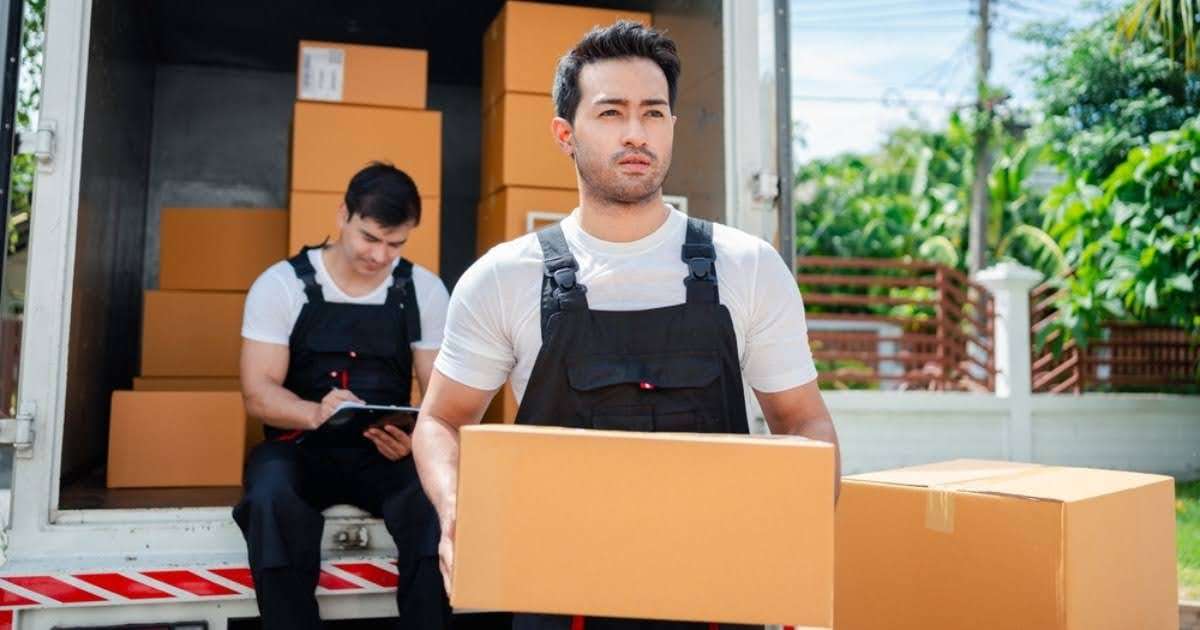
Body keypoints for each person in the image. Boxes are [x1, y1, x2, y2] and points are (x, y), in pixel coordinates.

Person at [413, 21, 841, 630]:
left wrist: (801, 530)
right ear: (565, 133)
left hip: (716, 596)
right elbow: (441, 420)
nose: (636, 132)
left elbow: (802, 421)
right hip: (560, 595)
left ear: (671, 127)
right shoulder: (503, 278)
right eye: (611, 112)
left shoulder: (748, 267)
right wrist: (456, 508)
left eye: (654, 113)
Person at [234, 162, 450, 630]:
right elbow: (258, 393)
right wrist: (315, 412)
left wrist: (418, 440)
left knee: (436, 501)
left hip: (385, 454)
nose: (380, 255)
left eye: (395, 244)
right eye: (370, 238)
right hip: (300, 448)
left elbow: (441, 396)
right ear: (342, 215)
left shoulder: (424, 291)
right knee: (269, 495)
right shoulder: (282, 285)